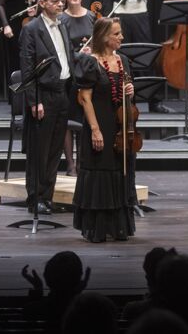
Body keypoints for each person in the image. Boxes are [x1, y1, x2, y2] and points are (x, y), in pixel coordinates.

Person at [73, 17, 137, 242]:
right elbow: (85, 99)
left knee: (119, 173)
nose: (121, 37)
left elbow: (127, 95)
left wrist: (130, 91)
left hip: (120, 128)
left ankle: (116, 227)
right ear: (103, 37)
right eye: (116, 34)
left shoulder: (123, 61)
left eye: (120, 33)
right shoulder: (90, 62)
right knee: (99, 173)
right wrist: (95, 130)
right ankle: (97, 228)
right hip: (99, 124)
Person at [20, 0, 76, 216]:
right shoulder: (31, 29)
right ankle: (35, 199)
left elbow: (66, 56)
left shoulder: (62, 25)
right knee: (39, 152)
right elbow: (27, 68)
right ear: (42, 4)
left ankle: (48, 196)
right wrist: (34, 101)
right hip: (43, 96)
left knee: (54, 151)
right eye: (55, 1)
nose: (61, 3)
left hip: (62, 92)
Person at [59, 0, 97, 177]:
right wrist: (77, 54)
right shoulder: (60, 19)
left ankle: (83, 162)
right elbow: (59, 49)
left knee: (84, 120)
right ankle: (70, 165)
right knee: (68, 120)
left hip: (88, 76)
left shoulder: (92, 16)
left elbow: (99, 43)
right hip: (69, 76)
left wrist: (93, 51)